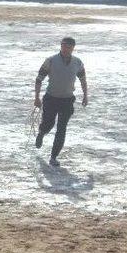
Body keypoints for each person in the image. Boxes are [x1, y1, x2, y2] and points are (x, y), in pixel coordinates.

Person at [34, 37, 88, 167]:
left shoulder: (77, 62)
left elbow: (83, 79)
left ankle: (53, 157)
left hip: (67, 100)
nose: (65, 49)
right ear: (61, 46)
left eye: (69, 47)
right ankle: (42, 133)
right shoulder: (51, 61)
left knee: (62, 129)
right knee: (49, 123)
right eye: (63, 46)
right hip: (51, 98)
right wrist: (37, 97)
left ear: (73, 48)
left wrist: (86, 95)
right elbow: (39, 79)